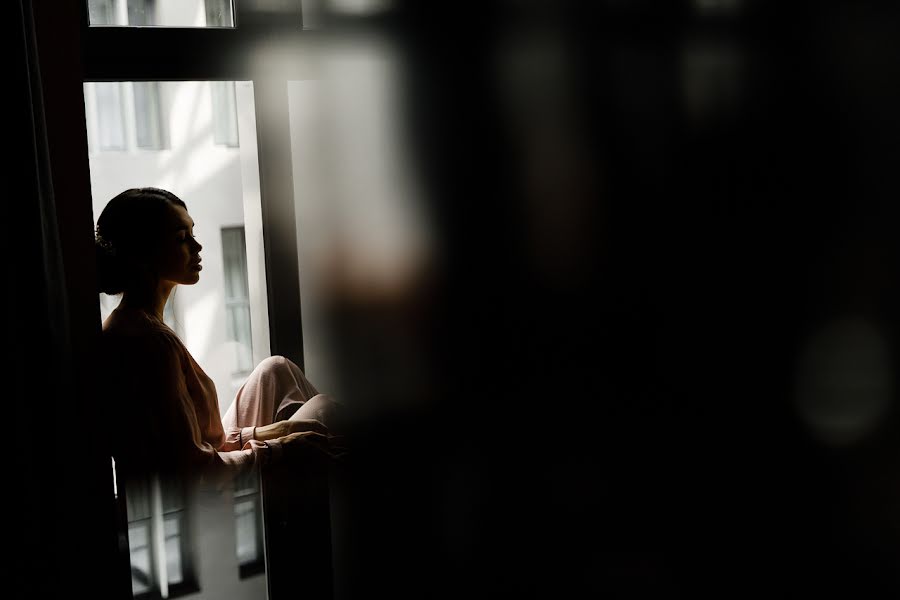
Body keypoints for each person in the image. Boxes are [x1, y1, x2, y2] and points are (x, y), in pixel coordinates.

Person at [95, 187, 341, 489]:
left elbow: (196, 442)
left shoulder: (135, 323)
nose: (197, 247)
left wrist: (276, 431)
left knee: (275, 370)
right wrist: (283, 447)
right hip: (201, 501)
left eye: (192, 233)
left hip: (204, 456)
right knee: (325, 411)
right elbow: (193, 473)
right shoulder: (149, 344)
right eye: (181, 238)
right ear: (145, 254)